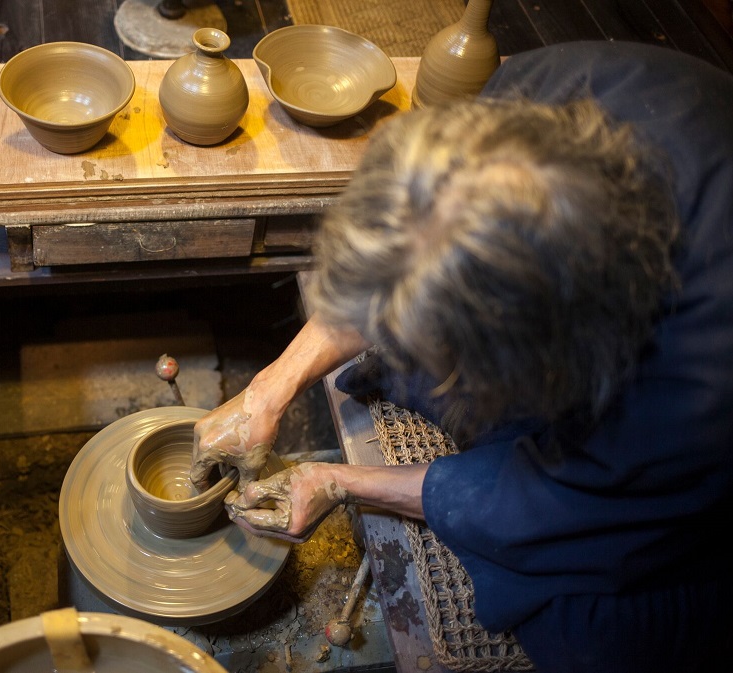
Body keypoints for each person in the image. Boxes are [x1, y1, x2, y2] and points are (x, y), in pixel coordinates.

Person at [190, 41, 733, 673]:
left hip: (692, 468)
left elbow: (559, 505)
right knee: (412, 355)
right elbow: (410, 247)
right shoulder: (542, 93)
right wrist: (270, 388)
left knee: (592, 635)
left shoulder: (698, 391)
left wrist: (341, 482)